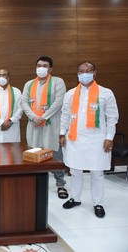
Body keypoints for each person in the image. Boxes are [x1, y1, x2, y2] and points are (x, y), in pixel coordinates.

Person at [60, 61, 118, 218]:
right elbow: (65, 115)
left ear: (95, 73)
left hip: (97, 140)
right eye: (81, 71)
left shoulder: (106, 93)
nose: (84, 73)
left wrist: (109, 137)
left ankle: (98, 203)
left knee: (97, 173)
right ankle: (76, 198)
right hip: (74, 139)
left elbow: (112, 117)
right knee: (75, 171)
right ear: (77, 73)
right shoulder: (70, 93)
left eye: (88, 70)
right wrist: (61, 133)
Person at [21, 56, 68, 199]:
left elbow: (59, 102)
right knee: (34, 154)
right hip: (34, 124)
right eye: (39, 65)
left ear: (50, 69)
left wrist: (44, 117)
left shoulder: (57, 82)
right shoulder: (29, 84)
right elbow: (24, 103)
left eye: (45, 65)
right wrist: (35, 117)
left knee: (55, 154)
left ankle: (61, 185)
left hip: (51, 125)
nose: (41, 68)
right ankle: (34, 184)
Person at [0, 69, 23, 143]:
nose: (1, 77)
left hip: (12, 127)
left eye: (4, 75)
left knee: (13, 151)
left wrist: (10, 121)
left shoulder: (16, 91)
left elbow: (21, 109)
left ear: (8, 78)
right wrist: (1, 122)